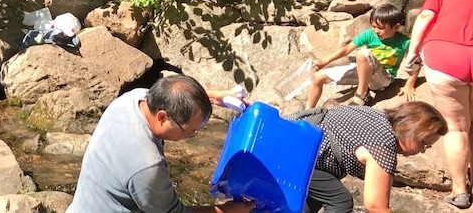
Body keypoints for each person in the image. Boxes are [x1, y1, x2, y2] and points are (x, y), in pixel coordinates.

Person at [68, 74, 254, 213]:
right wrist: (226, 211)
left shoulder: (131, 99)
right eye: (189, 132)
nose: (192, 135)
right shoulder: (147, 164)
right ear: (162, 117)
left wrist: (212, 97)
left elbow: (172, 96)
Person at [401, 0, 473, 209]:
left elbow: (425, 16)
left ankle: (460, 190)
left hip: (445, 55)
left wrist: (412, 54)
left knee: (456, 128)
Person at [287, 101, 446, 213]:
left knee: (314, 199)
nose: (423, 151)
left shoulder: (377, 117)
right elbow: (376, 207)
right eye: (424, 144)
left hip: (286, 141)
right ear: (412, 131)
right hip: (291, 152)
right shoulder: (383, 147)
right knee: (339, 201)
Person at [306, 4, 418, 108]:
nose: (376, 31)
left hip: (383, 79)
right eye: (374, 26)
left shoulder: (404, 42)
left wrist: (410, 84)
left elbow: (417, 61)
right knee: (318, 77)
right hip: (365, 74)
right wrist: (324, 62)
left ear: (396, 27)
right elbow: (346, 49)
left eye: (380, 28)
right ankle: (307, 114)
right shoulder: (369, 34)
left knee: (363, 53)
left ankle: (361, 95)